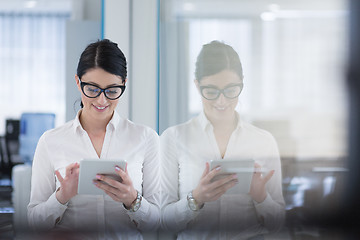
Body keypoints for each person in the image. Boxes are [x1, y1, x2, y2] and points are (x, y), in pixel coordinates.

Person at [27, 39, 160, 239]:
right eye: (92, 89)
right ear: (78, 82)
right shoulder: (50, 141)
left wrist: (133, 200)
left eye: (112, 91)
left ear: (123, 84)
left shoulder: (146, 138)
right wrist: (62, 197)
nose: (101, 100)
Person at [160, 40, 285, 239]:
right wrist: (196, 199)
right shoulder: (174, 139)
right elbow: (163, 222)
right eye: (210, 91)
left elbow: (278, 225)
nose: (221, 101)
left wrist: (261, 197)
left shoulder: (263, 141)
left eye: (230, 90)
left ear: (242, 84)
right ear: (197, 85)